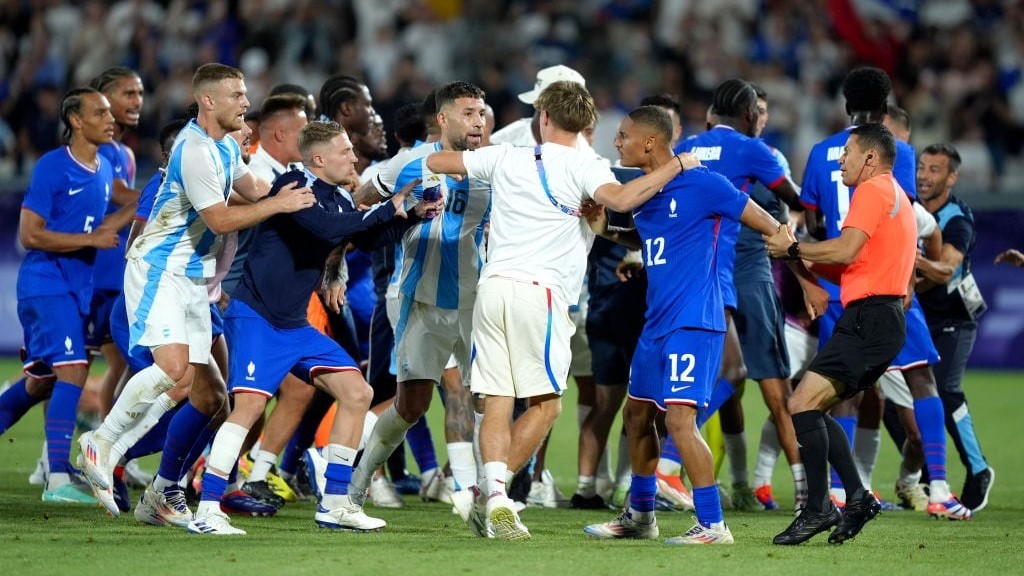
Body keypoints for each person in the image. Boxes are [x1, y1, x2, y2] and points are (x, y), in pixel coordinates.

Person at [425, 81, 702, 540]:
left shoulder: (506, 156)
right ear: (587, 123)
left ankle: (489, 495)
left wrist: (450, 151)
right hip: (543, 295)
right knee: (547, 405)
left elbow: (437, 162)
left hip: (492, 289)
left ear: (545, 117)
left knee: (497, 401)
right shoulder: (586, 165)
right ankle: (495, 494)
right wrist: (677, 165)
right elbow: (623, 200)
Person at [77, 63, 315, 525]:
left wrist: (308, 189)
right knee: (174, 371)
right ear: (208, 100)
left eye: (245, 94)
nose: (246, 102)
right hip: (160, 269)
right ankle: (101, 443)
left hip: (193, 278)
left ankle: (162, 494)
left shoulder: (225, 145)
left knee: (211, 398)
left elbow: (255, 189)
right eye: (237, 95)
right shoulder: (194, 150)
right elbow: (220, 220)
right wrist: (280, 204)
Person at [583, 105, 820, 545]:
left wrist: (803, 277)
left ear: (650, 142)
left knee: (679, 420)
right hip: (656, 321)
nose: (617, 142)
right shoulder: (644, 190)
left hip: (695, 319)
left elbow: (771, 226)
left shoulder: (706, 183)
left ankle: (713, 524)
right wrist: (607, 230)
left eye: (624, 136)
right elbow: (655, 239)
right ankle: (640, 515)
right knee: (637, 415)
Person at [189, 120, 437, 535]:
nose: (353, 158)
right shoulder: (293, 184)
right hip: (257, 318)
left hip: (294, 326)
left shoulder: (338, 198)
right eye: (345, 151)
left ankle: (335, 503)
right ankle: (208, 507)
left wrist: (410, 216)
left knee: (357, 392)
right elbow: (328, 228)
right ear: (319, 159)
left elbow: (363, 238)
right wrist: (385, 206)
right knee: (248, 408)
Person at [799, 68, 969, 521]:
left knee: (843, 389)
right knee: (921, 378)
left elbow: (814, 223)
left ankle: (839, 490)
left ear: (845, 103)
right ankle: (939, 489)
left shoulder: (819, 151)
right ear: (885, 105)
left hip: (838, 282)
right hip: (886, 282)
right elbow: (903, 216)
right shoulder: (897, 152)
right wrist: (909, 281)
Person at [345, 81, 489, 517]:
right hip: (420, 300)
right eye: (468, 113)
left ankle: (474, 493)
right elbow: (359, 203)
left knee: (484, 397)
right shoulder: (409, 164)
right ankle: (358, 483)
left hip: (475, 302)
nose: (478, 122)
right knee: (410, 405)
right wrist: (337, 261)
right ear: (443, 119)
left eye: (481, 113)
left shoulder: (494, 167)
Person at [767, 122, 914, 545]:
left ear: (871, 157)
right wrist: (804, 264)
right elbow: (854, 264)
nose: (841, 160)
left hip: (870, 319)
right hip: (878, 319)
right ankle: (857, 498)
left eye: (847, 152)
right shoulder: (894, 195)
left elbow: (845, 250)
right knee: (813, 408)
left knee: (801, 403)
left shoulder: (873, 190)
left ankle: (819, 507)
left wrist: (794, 249)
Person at [675, 79, 807, 512]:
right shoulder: (759, 151)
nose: (761, 119)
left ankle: (662, 470)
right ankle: (804, 489)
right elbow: (796, 201)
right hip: (747, 267)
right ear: (750, 116)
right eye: (759, 112)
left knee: (716, 372)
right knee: (767, 382)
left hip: (700, 268)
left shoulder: (688, 146)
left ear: (711, 114)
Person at [0, 87, 132, 504]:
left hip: (76, 289)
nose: (110, 119)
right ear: (75, 120)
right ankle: (57, 477)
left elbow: (110, 218)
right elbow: (29, 234)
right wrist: (89, 239)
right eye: (100, 113)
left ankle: (58, 470)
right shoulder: (54, 166)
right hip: (45, 283)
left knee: (41, 383)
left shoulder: (103, 166)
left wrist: (149, 199)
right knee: (74, 370)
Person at [914, 143, 994, 511]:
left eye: (934, 170)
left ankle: (978, 469)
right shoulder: (911, 206)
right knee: (888, 397)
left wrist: (907, 262)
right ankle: (923, 473)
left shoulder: (957, 220)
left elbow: (945, 271)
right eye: (921, 167)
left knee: (945, 391)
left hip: (953, 320)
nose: (923, 175)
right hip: (918, 317)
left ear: (951, 178)